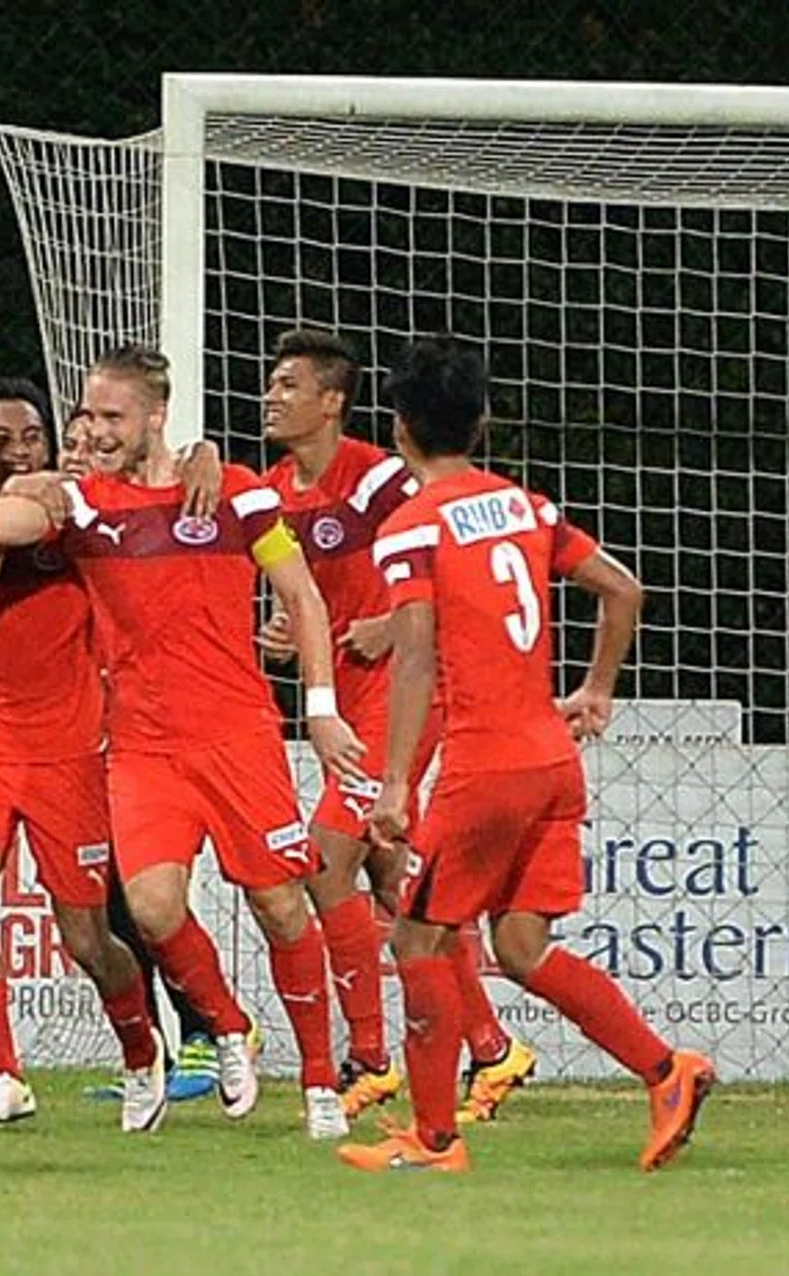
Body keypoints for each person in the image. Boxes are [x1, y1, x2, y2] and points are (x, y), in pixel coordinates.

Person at [339, 336, 714, 1174]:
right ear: (481, 422)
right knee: (520, 948)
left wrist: (396, 782)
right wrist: (597, 690)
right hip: (551, 760)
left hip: (485, 769)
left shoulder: (409, 527)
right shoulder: (526, 507)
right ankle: (667, 1069)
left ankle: (434, 1141)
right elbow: (623, 589)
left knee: (418, 940)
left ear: (399, 429)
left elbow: (418, 657)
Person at [0, 344, 368, 1141]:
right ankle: (227, 1025)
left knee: (279, 904)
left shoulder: (234, 493)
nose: (96, 429)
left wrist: (322, 707)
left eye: (113, 416)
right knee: (155, 910)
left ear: (156, 417)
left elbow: (300, 594)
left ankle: (322, 1082)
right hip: (142, 747)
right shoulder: (82, 505)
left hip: (239, 736)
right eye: (88, 415)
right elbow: (2, 518)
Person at [256, 327, 534, 1123]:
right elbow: (303, 600)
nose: (272, 398)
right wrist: (286, 635)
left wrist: (387, 621)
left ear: (332, 402)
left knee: (323, 860)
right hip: (345, 700)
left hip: (404, 696)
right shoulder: (277, 490)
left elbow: (450, 563)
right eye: (272, 386)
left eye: (288, 386)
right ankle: (490, 1047)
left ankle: (371, 1058)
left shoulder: (380, 481)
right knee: (396, 883)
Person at [0, 349, 217, 1134]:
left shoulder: (83, 518)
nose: (16, 448)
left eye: (29, 436)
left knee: (87, 936)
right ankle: (4, 1073)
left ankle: (141, 1051)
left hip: (71, 751)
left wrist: (204, 455)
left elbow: (149, 494)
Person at [56, 406, 222, 1106]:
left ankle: (207, 1034)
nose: (76, 452)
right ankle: (150, 1050)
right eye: (64, 444)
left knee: (146, 894)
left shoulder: (127, 518)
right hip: (74, 736)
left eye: (83, 439)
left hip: (143, 729)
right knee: (114, 905)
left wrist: (205, 450)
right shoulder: (58, 521)